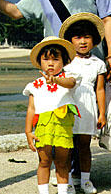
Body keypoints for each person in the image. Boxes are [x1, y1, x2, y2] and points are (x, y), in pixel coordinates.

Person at [23, 36, 78, 194]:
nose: (51, 63)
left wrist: (55, 80)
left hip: (63, 126)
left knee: (63, 162)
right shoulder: (35, 85)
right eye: (46, 59)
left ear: (64, 61)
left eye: (55, 59)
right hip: (43, 126)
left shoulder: (66, 79)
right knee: (44, 161)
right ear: (40, 62)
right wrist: (28, 132)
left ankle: (63, 191)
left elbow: (71, 83)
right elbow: (31, 109)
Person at [59, 13, 107, 194]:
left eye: (87, 37)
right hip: (68, 106)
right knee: (67, 148)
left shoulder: (98, 63)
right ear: (70, 40)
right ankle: (68, 182)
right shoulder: (65, 62)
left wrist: (102, 113)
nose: (82, 41)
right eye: (78, 37)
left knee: (85, 146)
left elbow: (100, 90)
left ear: (94, 40)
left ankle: (86, 181)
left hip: (88, 107)